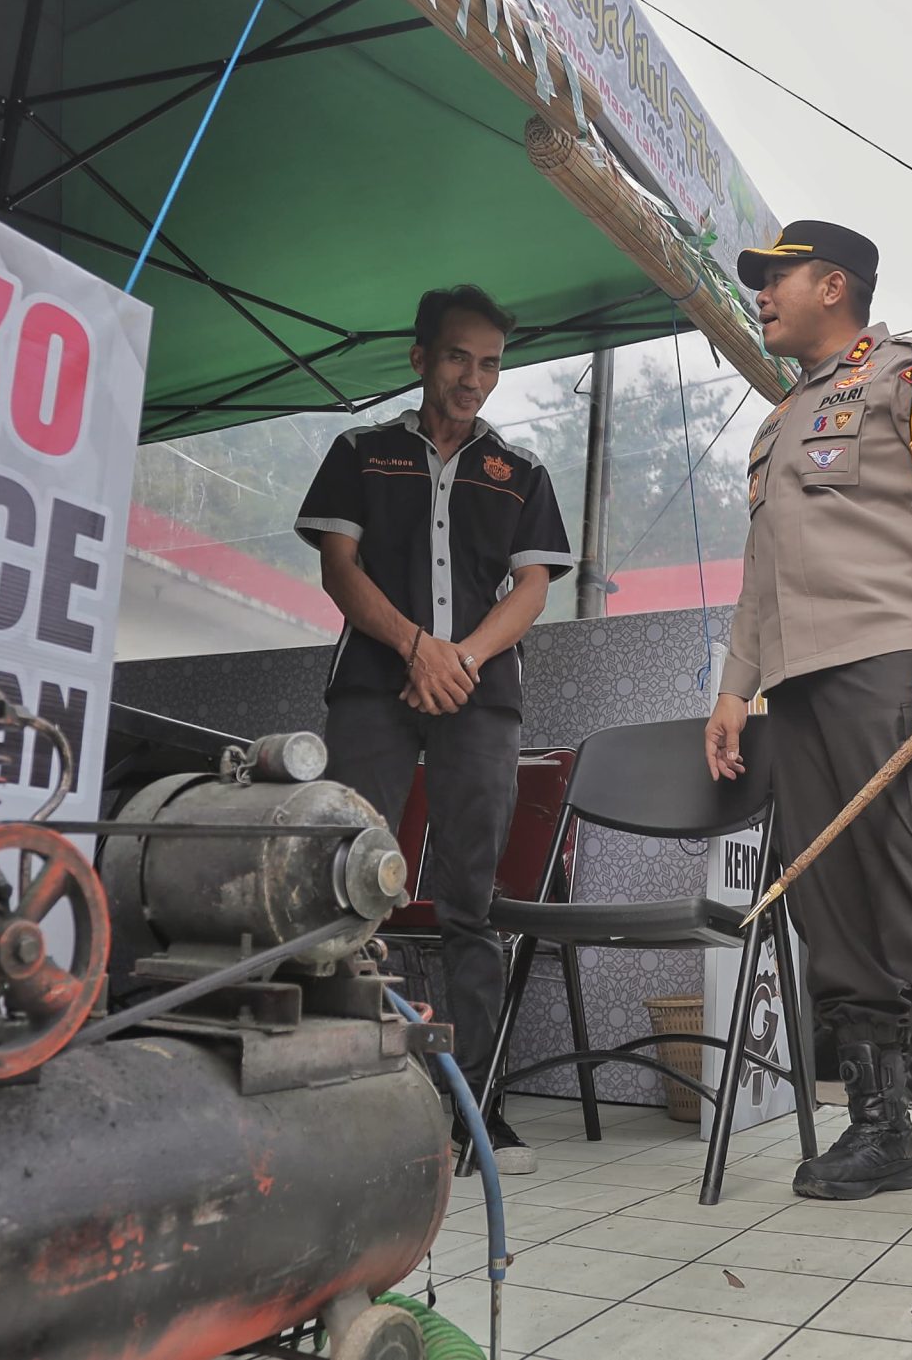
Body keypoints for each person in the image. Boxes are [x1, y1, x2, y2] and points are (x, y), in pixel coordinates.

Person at [704, 220, 912, 1234]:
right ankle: (879, 1130)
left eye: (777, 278)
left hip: (897, 673)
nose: (760, 294)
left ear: (834, 284)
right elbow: (762, 579)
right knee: (836, 920)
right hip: (799, 696)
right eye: (757, 281)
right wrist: (736, 687)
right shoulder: (774, 427)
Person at [293, 285, 573, 1175]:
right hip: (373, 685)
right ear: (421, 358)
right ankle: (344, 1098)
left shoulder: (522, 474)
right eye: (459, 357)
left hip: (480, 701)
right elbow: (341, 569)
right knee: (348, 884)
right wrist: (417, 646)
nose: (475, 378)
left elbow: (531, 590)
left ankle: (473, 1114)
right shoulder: (360, 452)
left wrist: (458, 660)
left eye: (490, 363)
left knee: (471, 902)